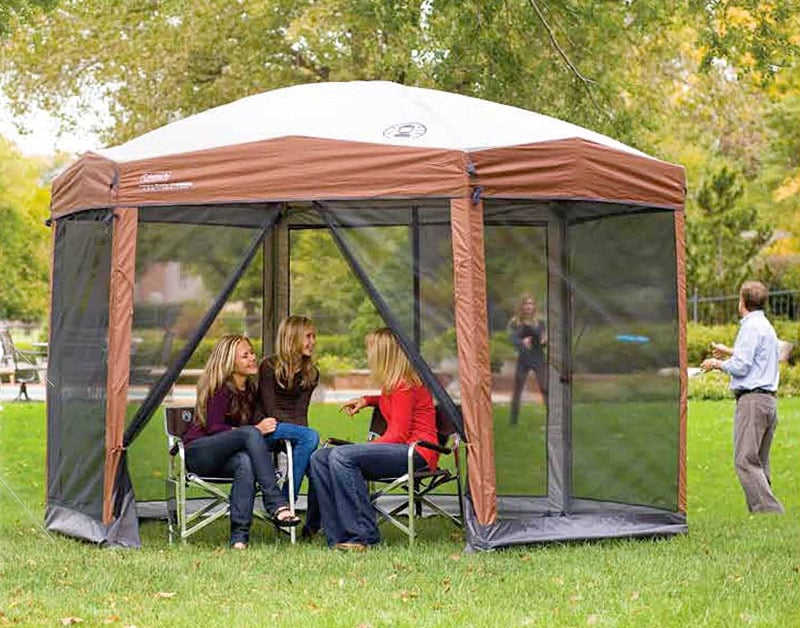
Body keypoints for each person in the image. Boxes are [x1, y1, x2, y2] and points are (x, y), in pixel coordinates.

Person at [309, 327, 439, 551]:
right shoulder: (394, 385)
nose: (368, 354)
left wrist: (363, 448)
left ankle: (362, 536)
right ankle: (337, 534)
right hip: (404, 449)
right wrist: (367, 400)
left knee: (341, 456)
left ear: (383, 354)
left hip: (417, 452)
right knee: (320, 458)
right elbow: (392, 403)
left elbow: (397, 435)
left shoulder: (404, 386)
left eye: (370, 349)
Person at [183, 334, 301, 549]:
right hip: (199, 453)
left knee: (245, 463)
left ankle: (239, 538)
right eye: (244, 356)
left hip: (226, 460)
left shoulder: (249, 390)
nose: (252, 358)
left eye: (252, 353)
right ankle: (275, 502)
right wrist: (254, 430)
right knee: (250, 434)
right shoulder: (219, 388)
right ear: (230, 361)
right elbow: (213, 427)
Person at [701, 280, 784, 514]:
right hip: (769, 401)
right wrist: (729, 350)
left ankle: (769, 510)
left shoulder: (749, 327)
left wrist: (717, 363)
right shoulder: (766, 326)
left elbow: (743, 365)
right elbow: (757, 356)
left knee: (745, 459)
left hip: (752, 401)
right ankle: (765, 517)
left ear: (742, 302)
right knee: (759, 459)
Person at [257, 315, 321, 533]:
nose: (313, 341)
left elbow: (301, 412)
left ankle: (312, 527)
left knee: (318, 465)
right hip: (266, 429)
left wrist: (301, 437)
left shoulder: (311, 373)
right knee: (310, 436)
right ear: (292, 337)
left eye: (314, 337)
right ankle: (284, 502)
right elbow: (270, 409)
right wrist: (302, 435)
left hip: (293, 430)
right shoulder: (268, 367)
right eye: (308, 336)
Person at [508, 293, 547, 424]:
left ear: (534, 306)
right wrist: (521, 342)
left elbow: (543, 340)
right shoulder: (516, 322)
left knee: (545, 387)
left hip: (538, 357)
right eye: (526, 304)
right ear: (522, 306)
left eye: (531, 304)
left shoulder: (540, 322)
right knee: (518, 389)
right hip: (524, 358)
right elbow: (512, 338)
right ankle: (513, 420)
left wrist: (543, 340)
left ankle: (552, 418)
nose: (529, 306)